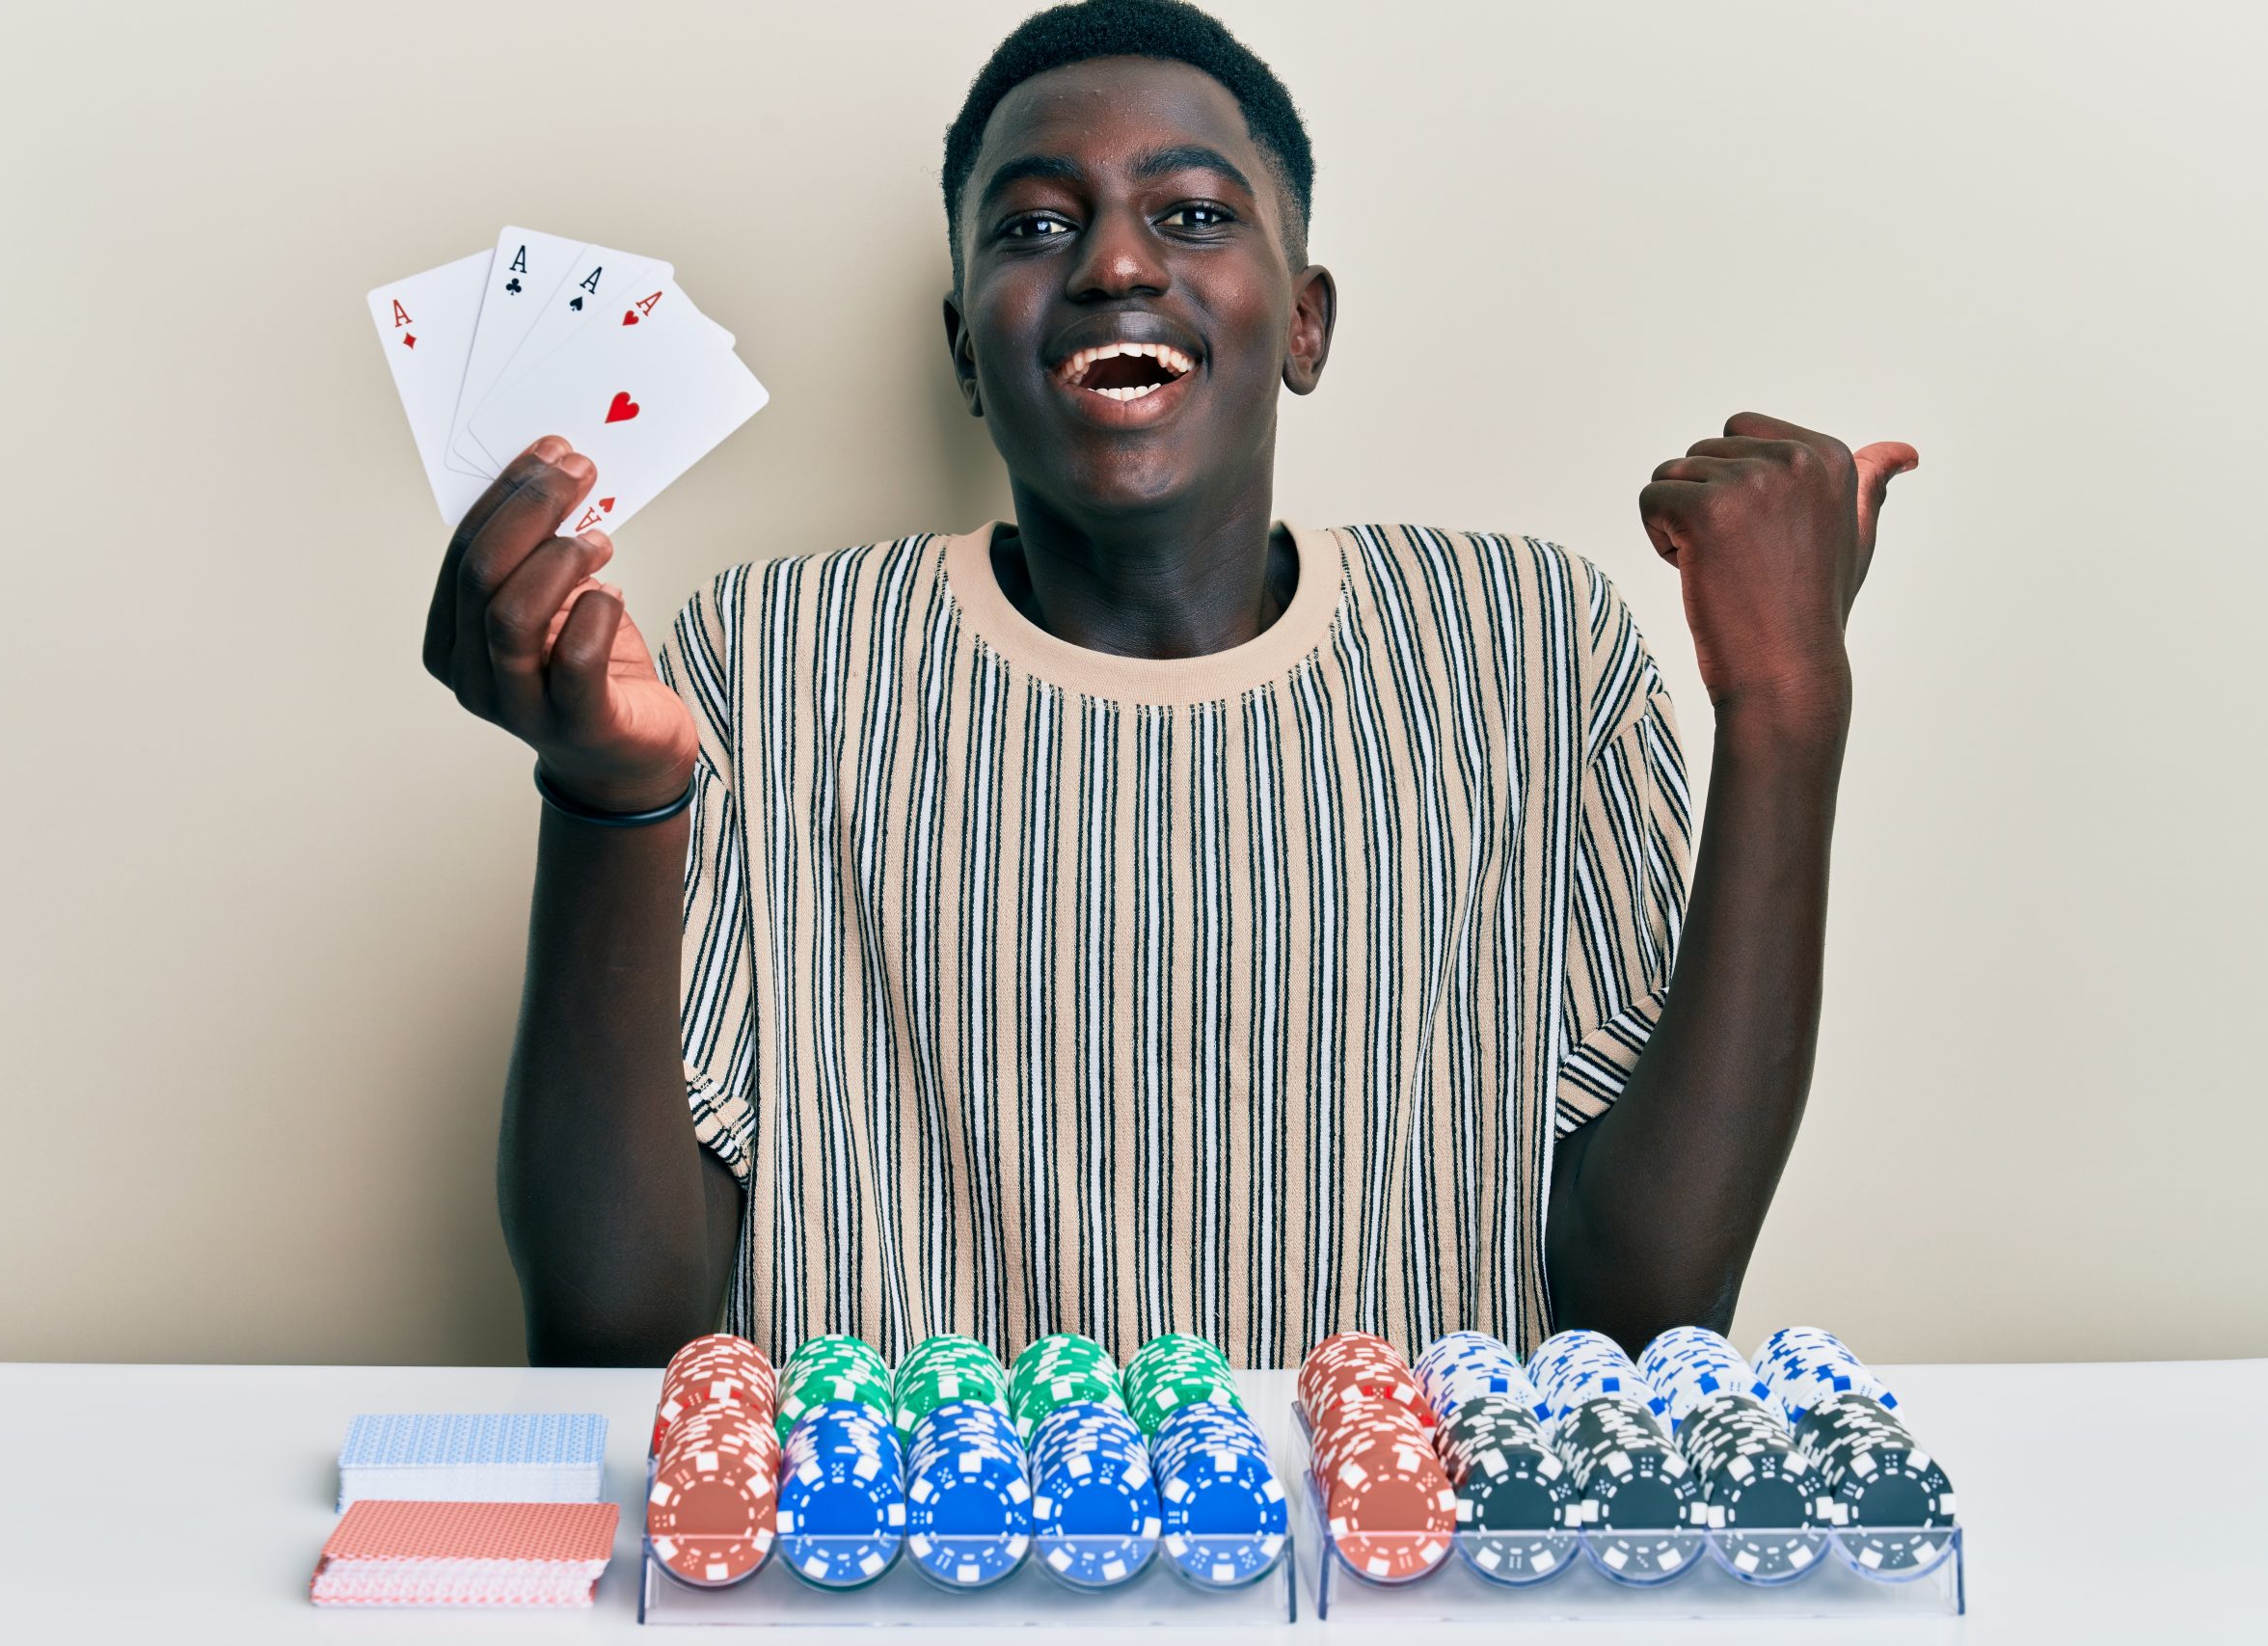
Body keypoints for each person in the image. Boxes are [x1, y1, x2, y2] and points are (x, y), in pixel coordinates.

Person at [418, 0, 1916, 1368]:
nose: (1116, 264)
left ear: (1308, 320)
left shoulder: (1525, 639)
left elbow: (1648, 1309)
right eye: (1031, 228)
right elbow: (611, 1329)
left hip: (1393, 1577)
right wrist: (605, 795)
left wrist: (1787, 708)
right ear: (964, 350)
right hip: (899, 1579)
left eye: (1192, 214)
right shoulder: (770, 656)